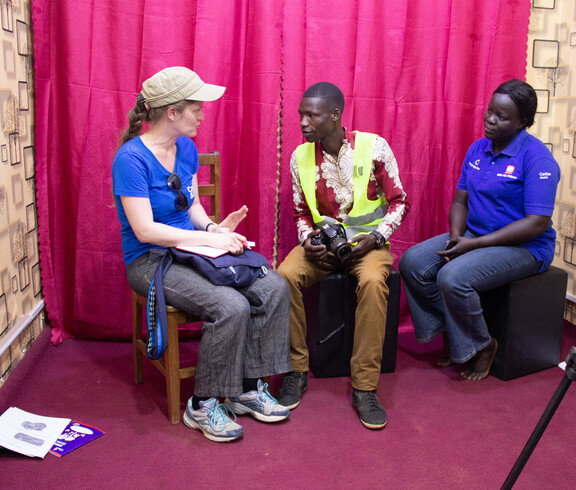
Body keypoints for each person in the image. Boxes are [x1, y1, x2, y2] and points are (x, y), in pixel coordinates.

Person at [112, 66, 291, 442]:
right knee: (230, 305)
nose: (203, 114)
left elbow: (191, 208)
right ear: (172, 113)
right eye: (197, 107)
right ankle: (203, 404)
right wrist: (205, 241)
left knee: (274, 286)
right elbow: (145, 230)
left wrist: (213, 229)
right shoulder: (130, 160)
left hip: (190, 247)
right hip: (150, 260)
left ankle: (245, 388)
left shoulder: (187, 148)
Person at [399, 79, 561, 381]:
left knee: (452, 276)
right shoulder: (478, 149)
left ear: (522, 122)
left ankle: (483, 345)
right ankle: (451, 332)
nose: (490, 119)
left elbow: (537, 223)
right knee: (413, 262)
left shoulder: (538, 159)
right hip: (476, 234)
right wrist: (457, 236)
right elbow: (460, 200)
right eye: (489, 111)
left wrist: (473, 246)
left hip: (526, 247)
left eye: (501, 116)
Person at [276, 82, 409, 429]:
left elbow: (399, 202)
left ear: (334, 115)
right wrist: (307, 240)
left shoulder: (375, 146)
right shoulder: (298, 156)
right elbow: (300, 213)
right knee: (283, 277)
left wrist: (378, 236)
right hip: (324, 246)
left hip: (368, 245)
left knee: (373, 282)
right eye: (300, 114)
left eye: (311, 115)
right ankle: (297, 370)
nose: (302, 122)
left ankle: (365, 388)